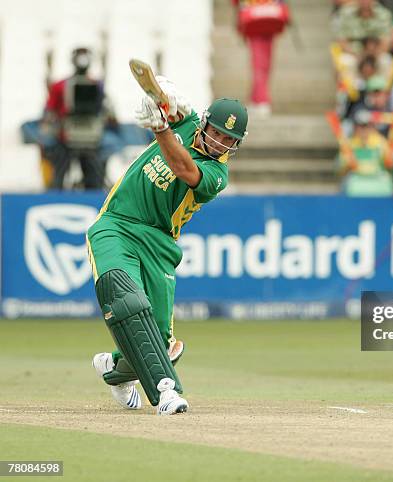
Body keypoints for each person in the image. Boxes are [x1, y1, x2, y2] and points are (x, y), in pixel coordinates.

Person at [87, 76, 248, 415]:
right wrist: (165, 98)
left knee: (162, 345)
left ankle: (114, 371)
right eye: (216, 132)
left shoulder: (217, 174)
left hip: (160, 243)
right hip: (117, 223)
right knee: (127, 298)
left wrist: (160, 128)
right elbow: (175, 107)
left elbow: (182, 167)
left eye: (228, 140)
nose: (219, 143)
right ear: (204, 123)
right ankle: (166, 393)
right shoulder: (188, 123)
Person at [42, 47, 116, 189]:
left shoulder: (97, 85)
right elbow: (50, 110)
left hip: (92, 139)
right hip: (65, 139)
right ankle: (55, 196)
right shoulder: (60, 86)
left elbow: (104, 109)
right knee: (59, 176)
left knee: (94, 179)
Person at [233, 0, 290, 116]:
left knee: (260, 62)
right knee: (264, 62)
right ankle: (257, 98)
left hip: (255, 16)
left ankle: (260, 99)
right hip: (269, 15)